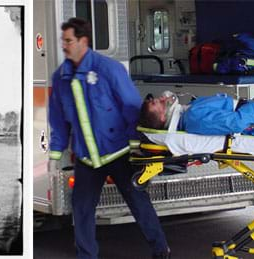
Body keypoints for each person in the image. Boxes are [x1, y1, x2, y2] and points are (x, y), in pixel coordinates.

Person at [47, 18, 170, 259]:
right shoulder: (61, 77)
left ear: (84, 41)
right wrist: (55, 153)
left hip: (118, 152)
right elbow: (58, 118)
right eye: (63, 40)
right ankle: (86, 256)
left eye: (69, 40)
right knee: (81, 209)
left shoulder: (108, 69)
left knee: (138, 202)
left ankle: (160, 249)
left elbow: (132, 107)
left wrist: (137, 144)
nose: (64, 45)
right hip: (87, 157)